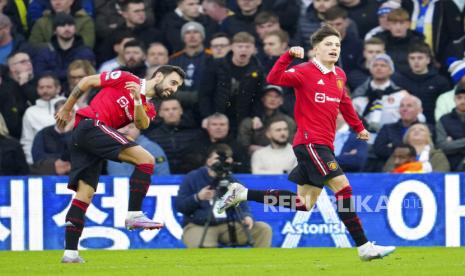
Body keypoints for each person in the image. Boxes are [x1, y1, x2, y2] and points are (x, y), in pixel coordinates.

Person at [216, 24, 395, 261]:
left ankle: (242, 193)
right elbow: (273, 77)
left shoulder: (339, 76)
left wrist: (359, 128)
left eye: (337, 45)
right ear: (316, 50)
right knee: (343, 188)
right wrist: (288, 55)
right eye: (328, 45)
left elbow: (345, 104)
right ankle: (364, 246)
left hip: (323, 145)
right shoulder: (305, 70)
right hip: (311, 142)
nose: (334, 48)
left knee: (303, 203)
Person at [54, 65, 186, 263]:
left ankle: (70, 253)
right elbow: (86, 81)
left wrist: (136, 101)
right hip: (91, 125)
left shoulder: (148, 107)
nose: (174, 89)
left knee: (85, 194)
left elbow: (142, 124)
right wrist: (66, 108)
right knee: (146, 159)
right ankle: (134, 214)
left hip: (90, 137)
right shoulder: (125, 78)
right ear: (159, 76)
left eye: (178, 87)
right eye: (173, 83)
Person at [175, 143, 272, 248]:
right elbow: (180, 206)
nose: (222, 161)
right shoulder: (193, 177)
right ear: (208, 161)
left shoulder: (233, 181)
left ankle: (259, 263)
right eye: (218, 158)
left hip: (228, 225)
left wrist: (246, 216)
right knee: (203, 247)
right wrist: (198, 197)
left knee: (263, 229)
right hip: (199, 225)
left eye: (227, 158)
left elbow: (243, 206)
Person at [383, 123, 449, 172]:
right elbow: (388, 173)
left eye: (422, 130)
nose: (416, 131)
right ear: (407, 136)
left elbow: (441, 174)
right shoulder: (397, 153)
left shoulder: (437, 155)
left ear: (428, 136)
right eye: (412, 130)